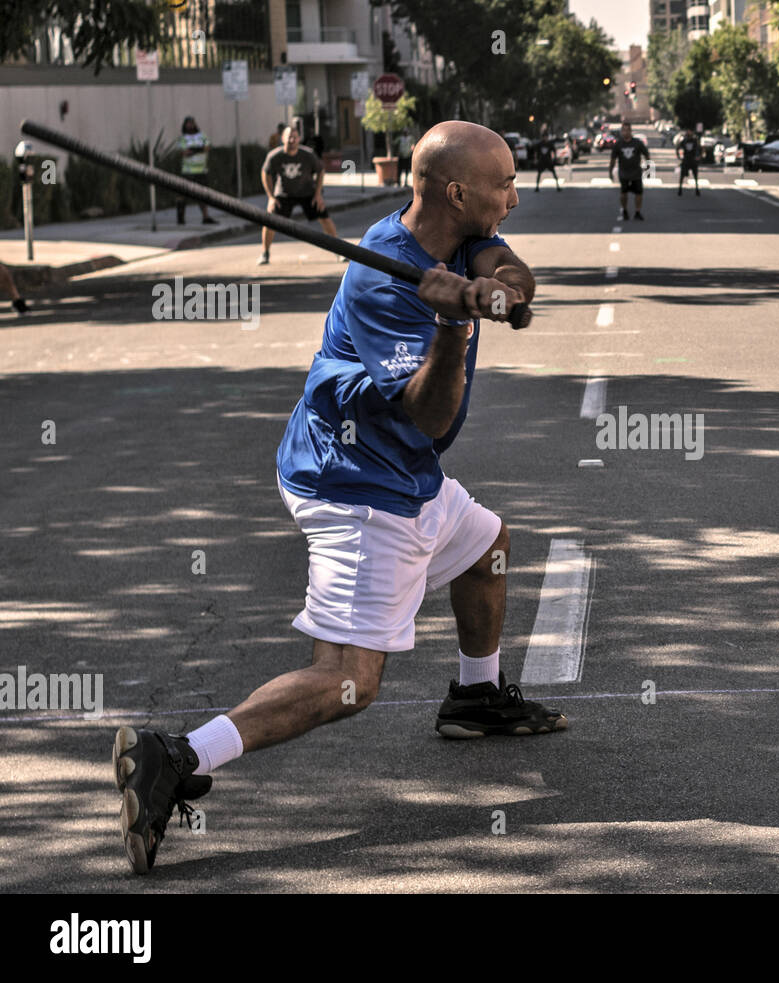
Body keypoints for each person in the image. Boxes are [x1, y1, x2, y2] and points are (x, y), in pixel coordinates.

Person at [110, 120, 567, 876]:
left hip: (403, 473)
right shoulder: (385, 280)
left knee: (485, 542)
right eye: (504, 185)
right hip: (358, 484)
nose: (514, 197)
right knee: (349, 679)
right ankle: (177, 754)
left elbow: (507, 263)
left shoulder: (455, 234)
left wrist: (502, 291)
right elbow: (430, 416)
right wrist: (452, 323)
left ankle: (477, 700)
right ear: (457, 192)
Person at [257, 124, 343, 265]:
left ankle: (339, 252)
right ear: (283, 138)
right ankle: (265, 253)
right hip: (284, 194)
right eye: (289, 137)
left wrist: (318, 194)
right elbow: (264, 173)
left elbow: (321, 171)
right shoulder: (275, 156)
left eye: (295, 137)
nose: (292, 140)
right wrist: (271, 197)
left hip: (307, 193)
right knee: (269, 219)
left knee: (324, 217)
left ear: (299, 139)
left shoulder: (308, 154)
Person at [176, 116, 217, 225]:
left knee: (203, 196)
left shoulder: (201, 136)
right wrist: (199, 149)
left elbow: (207, 147)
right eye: (188, 124)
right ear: (185, 125)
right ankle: (180, 218)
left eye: (191, 123)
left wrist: (194, 150)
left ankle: (205, 217)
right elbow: (184, 152)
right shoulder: (183, 138)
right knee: (182, 195)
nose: (190, 125)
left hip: (201, 171)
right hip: (187, 171)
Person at [608, 121, 651, 220]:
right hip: (624, 173)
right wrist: (610, 172)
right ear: (622, 132)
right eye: (624, 130)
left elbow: (646, 155)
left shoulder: (637, 143)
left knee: (639, 193)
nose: (626, 132)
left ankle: (637, 211)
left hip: (636, 172)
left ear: (631, 131)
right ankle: (624, 210)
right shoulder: (618, 144)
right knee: (623, 194)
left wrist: (648, 170)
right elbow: (613, 159)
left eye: (628, 130)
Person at [676, 128, 700, 197]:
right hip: (686, 160)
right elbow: (678, 148)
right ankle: (680, 189)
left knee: (695, 175)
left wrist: (698, 157)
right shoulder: (684, 141)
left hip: (692, 160)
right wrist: (679, 157)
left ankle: (697, 189)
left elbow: (698, 149)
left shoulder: (694, 141)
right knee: (682, 175)